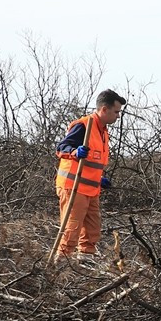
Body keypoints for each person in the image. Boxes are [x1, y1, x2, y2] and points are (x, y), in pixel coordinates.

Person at [54, 89, 126, 260]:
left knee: (92, 230)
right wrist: (74, 152)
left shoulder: (103, 131)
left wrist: (98, 179)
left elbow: (92, 162)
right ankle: (61, 266)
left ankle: (85, 264)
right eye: (116, 112)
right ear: (104, 109)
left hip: (91, 189)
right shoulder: (84, 126)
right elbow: (61, 148)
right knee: (71, 229)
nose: (118, 116)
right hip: (74, 187)